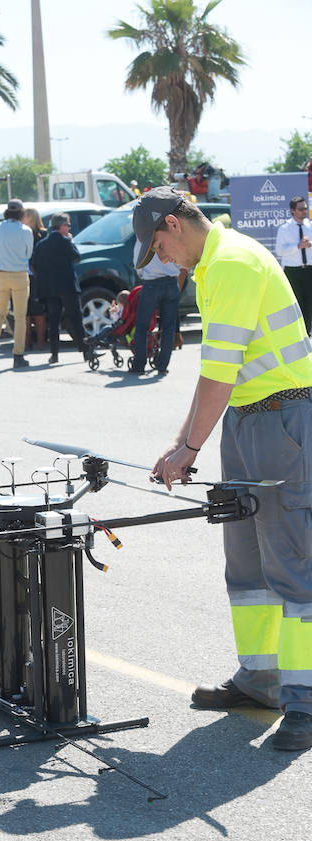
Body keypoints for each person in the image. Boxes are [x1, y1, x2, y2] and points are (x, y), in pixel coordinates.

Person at [135, 186, 312, 751]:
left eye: (157, 246)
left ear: (173, 224)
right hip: (247, 419)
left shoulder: (232, 263)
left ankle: (306, 702)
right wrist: (182, 441)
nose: (160, 258)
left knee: (291, 565)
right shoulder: (211, 265)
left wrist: (189, 447)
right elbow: (215, 374)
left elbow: (220, 372)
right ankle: (260, 680)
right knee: (248, 560)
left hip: (282, 420)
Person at [30, 212, 90, 365]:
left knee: (54, 322)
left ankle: (54, 354)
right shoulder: (65, 241)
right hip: (68, 287)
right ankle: (86, 352)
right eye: (68, 225)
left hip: (50, 289)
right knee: (76, 319)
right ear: (62, 226)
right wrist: (70, 241)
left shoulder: (41, 244)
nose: (69, 228)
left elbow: (33, 266)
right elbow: (76, 257)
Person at [0, 199, 33, 369]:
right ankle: (18, 355)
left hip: (1, 275)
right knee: (20, 317)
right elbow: (29, 253)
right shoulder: (26, 230)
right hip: (19, 275)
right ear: (21, 212)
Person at [131, 242, 187, 375]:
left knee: (142, 327)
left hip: (151, 283)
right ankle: (162, 365)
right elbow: (181, 261)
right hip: (171, 282)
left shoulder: (144, 237)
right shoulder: (169, 235)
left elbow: (137, 262)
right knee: (168, 328)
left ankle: (139, 364)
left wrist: (144, 274)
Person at [275, 196, 312, 334]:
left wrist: (309, 244)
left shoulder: (310, 226)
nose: (304, 211)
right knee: (296, 303)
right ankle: (298, 333)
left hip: (309, 269)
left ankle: (307, 332)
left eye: (305, 208)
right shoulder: (285, 228)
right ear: (292, 210)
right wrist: (297, 246)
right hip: (293, 271)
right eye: (301, 209)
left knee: (309, 303)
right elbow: (280, 251)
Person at [23, 207, 47, 352]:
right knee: (24, 311)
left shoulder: (42, 234)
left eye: (24, 216)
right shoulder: (21, 232)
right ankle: (25, 342)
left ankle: (40, 342)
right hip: (23, 274)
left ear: (30, 218)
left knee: (38, 310)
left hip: (38, 276)